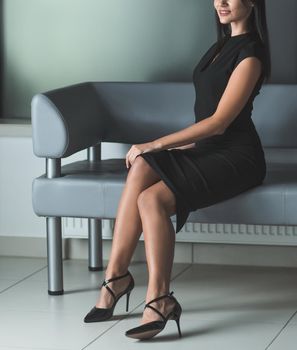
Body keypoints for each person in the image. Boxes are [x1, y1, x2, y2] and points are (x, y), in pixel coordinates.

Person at [83, 0, 271, 340]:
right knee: (140, 167)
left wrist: (155, 144)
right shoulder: (220, 46)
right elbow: (205, 122)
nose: (221, 2)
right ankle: (116, 278)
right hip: (209, 150)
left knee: (151, 200)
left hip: (238, 157)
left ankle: (159, 298)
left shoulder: (251, 54)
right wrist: (162, 150)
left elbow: (218, 123)